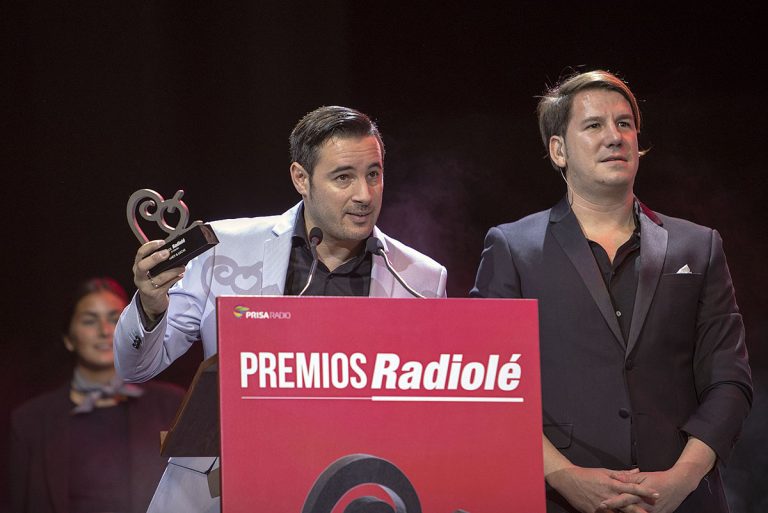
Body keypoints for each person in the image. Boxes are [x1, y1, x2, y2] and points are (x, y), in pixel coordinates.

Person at [114, 105, 447, 512]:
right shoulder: (223, 248)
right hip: (221, 493)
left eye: (373, 174)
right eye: (344, 177)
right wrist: (150, 308)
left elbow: (426, 412)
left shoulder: (421, 278)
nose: (364, 194)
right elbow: (135, 368)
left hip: (347, 493)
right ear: (301, 178)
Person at [471, 70, 752, 513]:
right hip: (557, 499)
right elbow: (486, 386)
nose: (614, 137)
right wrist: (563, 476)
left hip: (683, 498)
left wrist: (681, 479)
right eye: (593, 125)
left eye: (624, 124)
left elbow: (729, 381)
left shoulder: (699, 246)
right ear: (558, 150)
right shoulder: (513, 248)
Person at [9, 277, 184, 513]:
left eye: (115, 319)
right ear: (68, 339)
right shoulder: (30, 421)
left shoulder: (172, 405)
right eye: (90, 321)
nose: (104, 331)